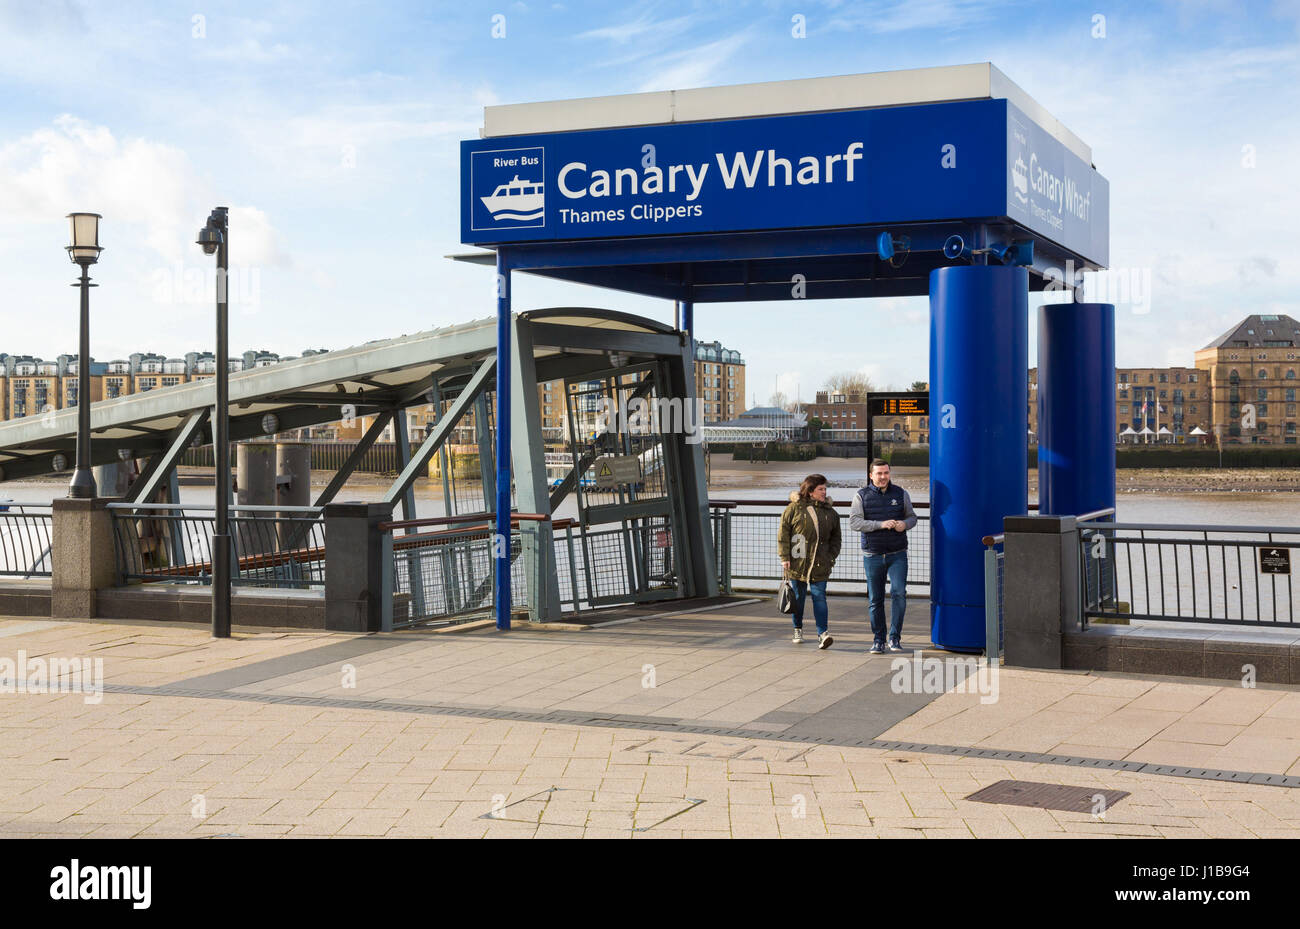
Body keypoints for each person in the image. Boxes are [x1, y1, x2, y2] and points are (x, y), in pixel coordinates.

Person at [849, 459, 917, 654]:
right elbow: (854, 523)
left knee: (899, 594)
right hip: (873, 555)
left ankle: (894, 638)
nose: (883, 477)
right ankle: (878, 640)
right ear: (871, 475)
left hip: (898, 554)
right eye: (879, 473)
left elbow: (912, 517)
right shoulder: (861, 496)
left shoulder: (901, 494)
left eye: (886, 473)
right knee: (875, 599)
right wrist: (880, 524)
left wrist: (905, 524)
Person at [777, 473, 841, 649]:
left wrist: (830, 557)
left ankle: (823, 634)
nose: (824, 492)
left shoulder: (831, 513)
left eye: (825, 489)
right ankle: (797, 628)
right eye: (821, 489)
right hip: (797, 562)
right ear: (811, 491)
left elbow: (836, 539)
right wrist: (785, 557)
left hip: (821, 563)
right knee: (798, 598)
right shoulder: (793, 509)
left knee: (819, 597)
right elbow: (783, 534)